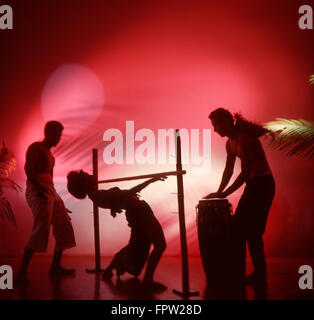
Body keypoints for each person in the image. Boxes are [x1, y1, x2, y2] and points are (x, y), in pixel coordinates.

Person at [204, 108, 275, 287]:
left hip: (263, 185)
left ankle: (251, 273)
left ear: (226, 122)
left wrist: (223, 194)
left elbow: (244, 173)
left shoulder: (246, 139)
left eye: (216, 125)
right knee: (248, 232)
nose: (214, 130)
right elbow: (228, 171)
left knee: (249, 232)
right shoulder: (230, 143)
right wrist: (218, 192)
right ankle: (253, 273)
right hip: (254, 185)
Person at [67, 170, 167, 290]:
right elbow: (129, 193)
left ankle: (112, 268)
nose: (91, 174)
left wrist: (114, 206)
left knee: (137, 244)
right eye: (87, 175)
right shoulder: (98, 196)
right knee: (158, 245)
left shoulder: (96, 195)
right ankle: (147, 280)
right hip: (139, 212)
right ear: (85, 184)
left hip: (138, 212)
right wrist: (152, 179)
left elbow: (115, 200)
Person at [16, 121, 76, 284]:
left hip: (49, 189)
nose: (58, 138)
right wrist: (38, 189)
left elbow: (50, 180)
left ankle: (55, 266)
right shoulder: (36, 147)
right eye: (56, 134)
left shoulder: (50, 155)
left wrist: (58, 201)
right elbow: (29, 168)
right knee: (41, 228)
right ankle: (21, 273)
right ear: (48, 132)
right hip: (38, 188)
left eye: (60, 135)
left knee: (64, 224)